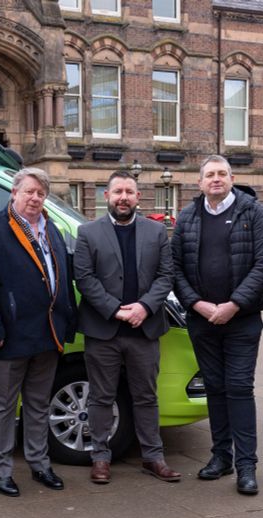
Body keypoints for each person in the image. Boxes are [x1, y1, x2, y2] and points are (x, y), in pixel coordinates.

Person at [171, 155, 263, 495]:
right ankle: (221, 457)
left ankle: (246, 466)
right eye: (209, 175)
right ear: (199, 183)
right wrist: (197, 304)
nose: (215, 179)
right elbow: (174, 267)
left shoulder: (251, 211)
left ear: (232, 178)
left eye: (221, 174)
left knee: (239, 388)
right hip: (202, 321)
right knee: (214, 388)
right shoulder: (187, 216)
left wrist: (234, 305)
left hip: (241, 320)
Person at [0, 167, 77, 497]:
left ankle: (39, 464)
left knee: (38, 404)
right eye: (29, 191)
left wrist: (68, 319)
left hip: (48, 332)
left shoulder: (52, 227)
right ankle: (2, 471)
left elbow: (62, 274)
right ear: (14, 192)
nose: (35, 198)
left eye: (41, 193)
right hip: (10, 334)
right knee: (2, 407)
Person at [74, 170, 180, 484]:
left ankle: (153, 457)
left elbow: (166, 275)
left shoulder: (156, 231)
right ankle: (100, 457)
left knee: (146, 396)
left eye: (129, 192)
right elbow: (85, 278)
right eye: (118, 191)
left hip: (144, 330)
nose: (123, 197)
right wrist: (115, 310)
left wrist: (144, 307)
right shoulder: (87, 232)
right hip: (103, 330)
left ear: (138, 197)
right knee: (101, 397)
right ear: (106, 196)